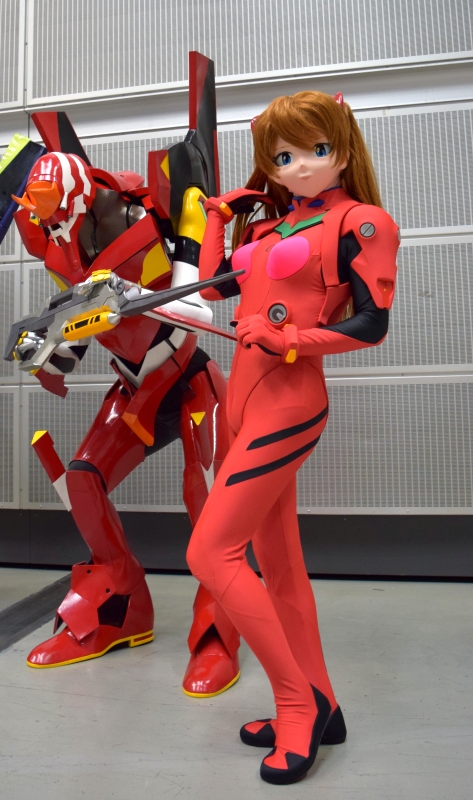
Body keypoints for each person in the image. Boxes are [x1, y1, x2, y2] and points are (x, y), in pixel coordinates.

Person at [186, 90, 399, 784]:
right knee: (278, 566)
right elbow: (214, 290)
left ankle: (296, 706)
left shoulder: (360, 222)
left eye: (315, 150)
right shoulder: (272, 229)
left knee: (210, 552)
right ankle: (324, 704)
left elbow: (371, 324)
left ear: (342, 148)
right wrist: (216, 221)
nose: (299, 166)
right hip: (242, 404)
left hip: (289, 404)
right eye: (282, 157)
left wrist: (290, 340)